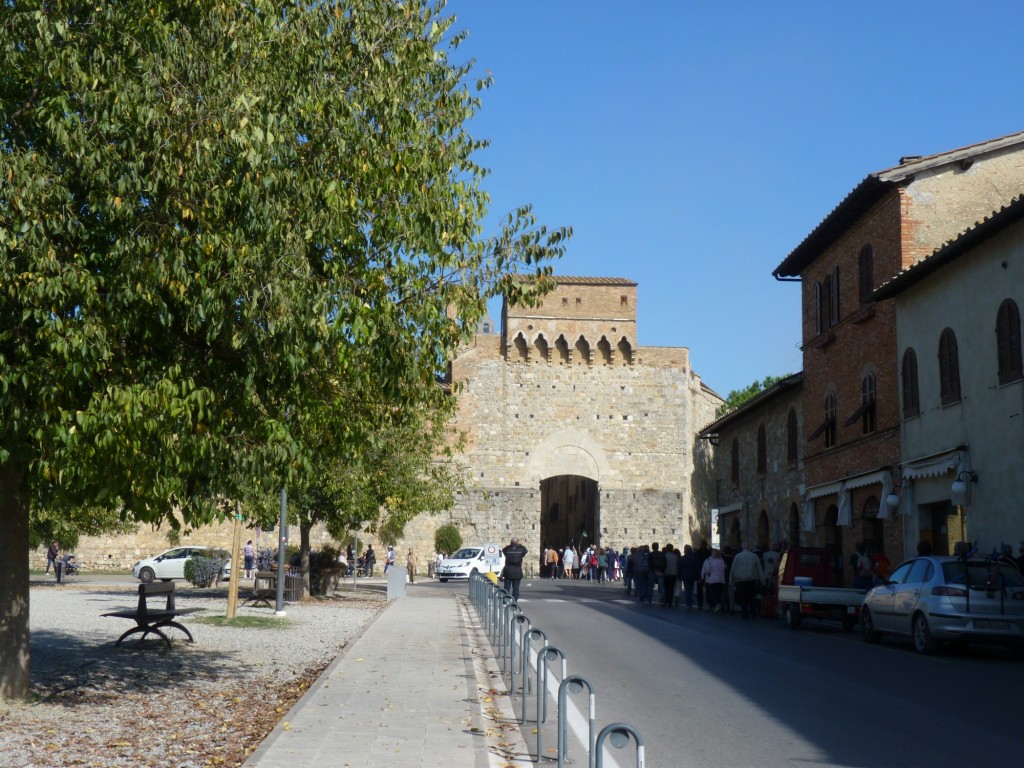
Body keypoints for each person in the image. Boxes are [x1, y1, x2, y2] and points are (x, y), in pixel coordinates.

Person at [729, 542, 765, 620]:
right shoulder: (754, 556)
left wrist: (731, 581)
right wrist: (763, 580)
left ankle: (744, 614)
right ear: (749, 547)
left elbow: (733, 569)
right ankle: (753, 613)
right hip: (751, 580)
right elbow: (759, 569)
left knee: (743, 598)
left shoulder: (737, 557)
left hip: (740, 580)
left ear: (742, 547)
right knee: (752, 597)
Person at [701, 549, 727, 614]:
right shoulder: (722, 561)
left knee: (714, 594)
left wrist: (708, 575)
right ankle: (719, 608)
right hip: (721, 580)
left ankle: (717, 605)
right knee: (719, 594)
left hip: (713, 580)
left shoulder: (710, 561)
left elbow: (707, 571)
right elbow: (725, 569)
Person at [678, 544, 700, 610]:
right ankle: (690, 603)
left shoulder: (682, 558)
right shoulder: (695, 557)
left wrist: (679, 576)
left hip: (685, 576)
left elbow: (680, 568)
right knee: (691, 589)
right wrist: (698, 576)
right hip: (692, 576)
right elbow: (697, 567)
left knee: (687, 590)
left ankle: (688, 604)